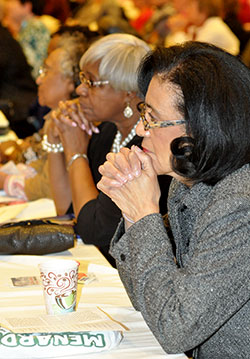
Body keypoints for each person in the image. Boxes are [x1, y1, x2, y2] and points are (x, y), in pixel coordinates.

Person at [97, 41, 250, 358]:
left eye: (152, 118)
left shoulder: (241, 203)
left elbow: (175, 328)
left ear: (200, 127)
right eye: (143, 112)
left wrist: (142, 214)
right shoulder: (188, 182)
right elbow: (148, 299)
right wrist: (131, 209)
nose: (140, 129)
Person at [45, 33, 171, 266]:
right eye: (82, 79)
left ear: (128, 93)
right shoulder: (108, 133)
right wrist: (55, 139)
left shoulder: (145, 150)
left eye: (91, 82)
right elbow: (68, 212)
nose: (80, 90)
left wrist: (76, 152)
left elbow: (93, 230)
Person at [0, 30, 88, 201]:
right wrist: (11, 150)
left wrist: (5, 180)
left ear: (71, 81)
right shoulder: (55, 116)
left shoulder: (73, 122)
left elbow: (48, 185)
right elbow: (37, 152)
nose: (39, 80)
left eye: (46, 71)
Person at [165, 0, 240, 55]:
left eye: (190, 6)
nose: (186, 10)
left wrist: (178, 31)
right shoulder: (196, 28)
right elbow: (170, 48)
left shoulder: (214, 26)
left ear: (204, 10)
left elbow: (190, 55)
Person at [3, 0, 51, 79]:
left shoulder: (36, 27)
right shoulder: (25, 27)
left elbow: (23, 61)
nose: (8, 5)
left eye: (12, 1)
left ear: (27, 6)